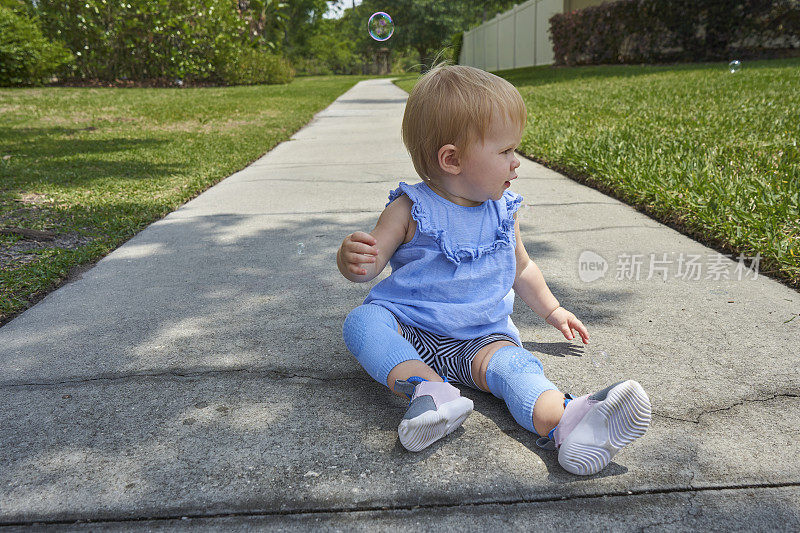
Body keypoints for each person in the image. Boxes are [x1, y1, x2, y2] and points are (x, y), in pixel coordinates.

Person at [337, 62, 651, 476]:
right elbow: (370, 263)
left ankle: (569, 420)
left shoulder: (504, 211)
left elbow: (521, 268)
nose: (516, 162)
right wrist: (353, 260)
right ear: (452, 159)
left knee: (516, 369)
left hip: (481, 338)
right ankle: (431, 393)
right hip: (409, 326)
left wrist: (552, 311)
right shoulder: (409, 208)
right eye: (504, 152)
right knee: (363, 322)